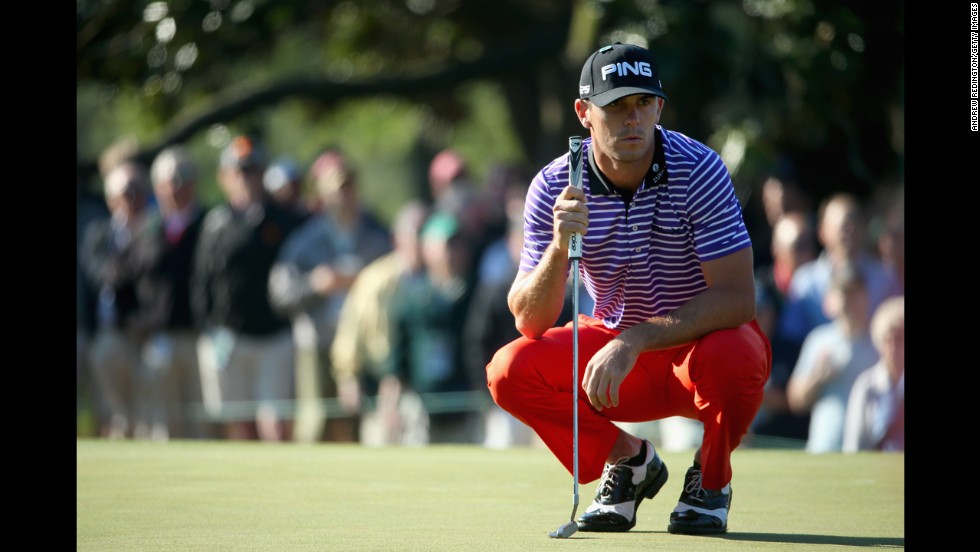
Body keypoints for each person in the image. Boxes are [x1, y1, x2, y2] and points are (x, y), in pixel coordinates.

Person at [486, 43, 771, 535]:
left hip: (696, 354)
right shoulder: (555, 184)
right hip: (618, 365)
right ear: (584, 114)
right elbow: (529, 320)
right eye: (615, 106)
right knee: (509, 370)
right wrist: (559, 247)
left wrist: (633, 340)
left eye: (643, 103)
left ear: (659, 106)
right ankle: (631, 462)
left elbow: (738, 299)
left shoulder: (699, 169)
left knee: (738, 353)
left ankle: (710, 480)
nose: (632, 119)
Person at [268, 149, 392, 443]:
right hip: (318, 343)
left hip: (365, 345)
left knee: (361, 424)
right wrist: (315, 285)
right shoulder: (303, 241)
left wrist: (364, 282)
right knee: (316, 422)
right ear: (323, 195)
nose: (344, 196)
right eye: (336, 190)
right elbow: (279, 294)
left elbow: (396, 279)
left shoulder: (377, 235)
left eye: (348, 187)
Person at [191, 134, 305, 441]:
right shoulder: (216, 223)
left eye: (252, 170)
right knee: (238, 424)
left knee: (276, 425)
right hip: (229, 337)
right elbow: (202, 282)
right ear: (225, 176)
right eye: (239, 170)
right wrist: (208, 330)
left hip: (274, 337)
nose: (245, 178)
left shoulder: (284, 219)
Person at [329, 200, 431, 446]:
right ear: (398, 240)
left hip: (427, 387)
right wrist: (348, 376)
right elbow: (351, 331)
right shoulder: (375, 281)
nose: (421, 242)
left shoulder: (442, 276)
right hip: (381, 386)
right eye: (416, 235)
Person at [80, 160, 158, 439]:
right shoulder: (99, 234)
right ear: (111, 199)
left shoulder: (156, 230)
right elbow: (105, 276)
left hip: (147, 335)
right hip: (110, 333)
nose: (132, 199)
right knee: (115, 417)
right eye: (126, 192)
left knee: (149, 416)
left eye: (137, 191)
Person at [141, 145, 214, 439]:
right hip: (160, 337)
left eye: (183, 179)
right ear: (158, 187)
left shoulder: (210, 223)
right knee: (163, 421)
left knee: (202, 418)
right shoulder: (147, 228)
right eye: (169, 181)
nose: (176, 188)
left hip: (200, 335)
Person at [786, 263, 879, 453]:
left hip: (871, 450)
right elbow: (796, 401)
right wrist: (817, 376)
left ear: (866, 297)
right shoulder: (819, 340)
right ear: (829, 301)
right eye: (843, 292)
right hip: (825, 447)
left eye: (854, 292)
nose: (848, 300)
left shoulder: (881, 342)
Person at [750, 211, 819, 443]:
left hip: (805, 406)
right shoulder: (758, 291)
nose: (807, 252)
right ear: (776, 249)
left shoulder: (822, 291)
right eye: (798, 245)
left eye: (810, 244)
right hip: (763, 415)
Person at [842, 295, 904, 452]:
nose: (893, 348)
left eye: (900, 339)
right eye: (887, 340)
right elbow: (855, 445)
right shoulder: (867, 385)